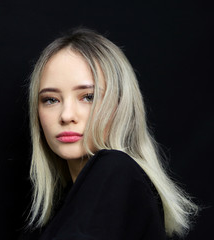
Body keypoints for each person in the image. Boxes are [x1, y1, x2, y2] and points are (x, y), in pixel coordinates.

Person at [23, 28, 198, 239]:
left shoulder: (116, 168)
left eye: (88, 97)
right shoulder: (67, 204)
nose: (67, 115)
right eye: (50, 99)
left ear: (119, 104)